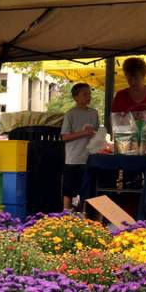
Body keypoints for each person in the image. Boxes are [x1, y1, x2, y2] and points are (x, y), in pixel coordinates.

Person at [60, 83, 99, 211]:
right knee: (69, 190)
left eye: (90, 94)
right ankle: (65, 215)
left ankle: (84, 214)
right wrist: (84, 132)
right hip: (73, 158)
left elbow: (97, 134)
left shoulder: (94, 113)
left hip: (89, 157)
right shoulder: (70, 114)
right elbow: (64, 137)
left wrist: (94, 134)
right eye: (85, 94)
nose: (89, 97)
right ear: (75, 97)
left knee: (86, 188)